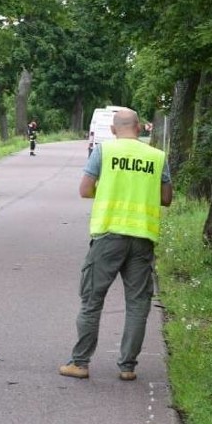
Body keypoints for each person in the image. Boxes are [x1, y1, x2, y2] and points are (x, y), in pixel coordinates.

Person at [59, 108, 172, 381]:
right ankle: (128, 367)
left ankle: (80, 363)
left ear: (112, 129)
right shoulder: (157, 157)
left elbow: (85, 190)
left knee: (92, 300)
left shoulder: (104, 152)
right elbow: (167, 198)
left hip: (108, 236)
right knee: (137, 304)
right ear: (140, 127)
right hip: (142, 238)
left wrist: (108, 189)